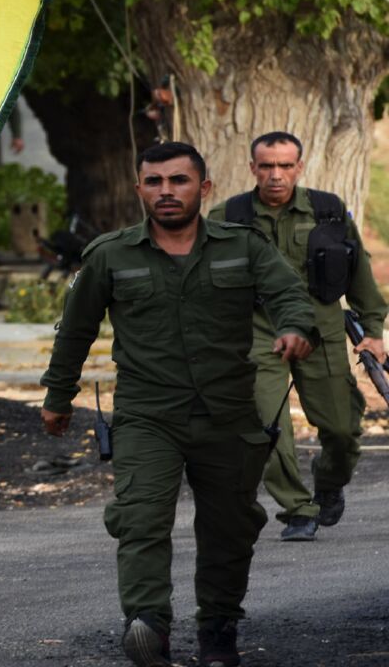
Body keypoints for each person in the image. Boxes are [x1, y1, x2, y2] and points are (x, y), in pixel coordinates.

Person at [40, 141, 317, 667]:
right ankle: (148, 627)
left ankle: (218, 630)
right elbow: (75, 331)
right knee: (140, 520)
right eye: (154, 182)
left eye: (179, 181)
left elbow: (288, 295)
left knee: (230, 527)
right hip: (148, 414)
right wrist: (59, 396)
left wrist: (294, 329)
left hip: (229, 413)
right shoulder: (110, 254)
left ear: (204, 188)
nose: (166, 191)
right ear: (140, 188)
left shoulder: (244, 247)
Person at [208, 131, 387, 541]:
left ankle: (328, 484)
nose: (276, 175)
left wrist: (373, 332)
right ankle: (298, 508)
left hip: (320, 327)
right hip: (257, 331)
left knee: (342, 430)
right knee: (266, 425)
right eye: (267, 166)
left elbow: (358, 274)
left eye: (285, 166)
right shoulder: (227, 216)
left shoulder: (327, 210)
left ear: (299, 167)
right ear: (252, 168)